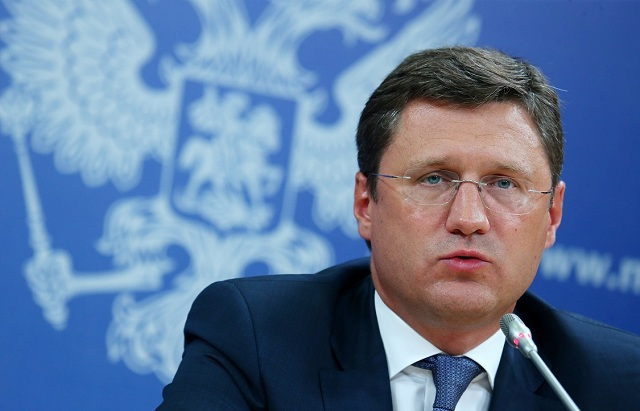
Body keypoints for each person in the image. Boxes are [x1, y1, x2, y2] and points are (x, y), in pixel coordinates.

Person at [157, 46, 640, 410]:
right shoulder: (258, 338)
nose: (469, 219)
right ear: (366, 202)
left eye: (503, 183)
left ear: (551, 215)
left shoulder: (617, 382)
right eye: (434, 179)